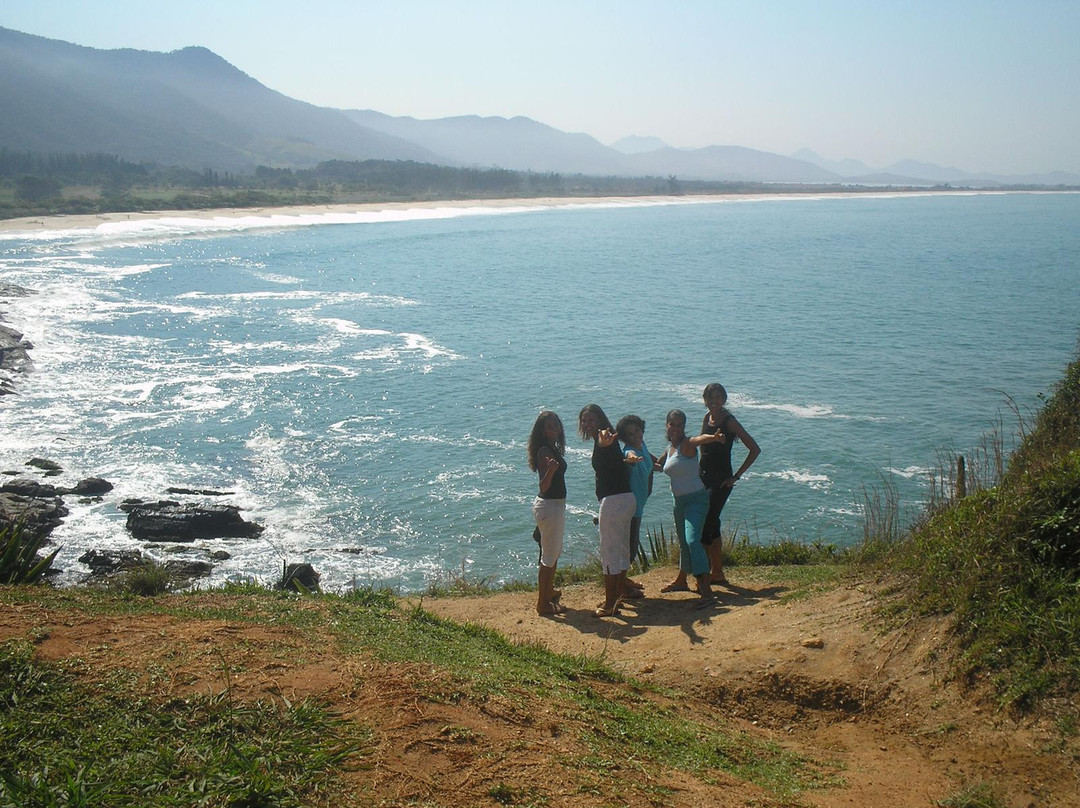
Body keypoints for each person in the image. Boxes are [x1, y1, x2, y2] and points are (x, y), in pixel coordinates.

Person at [697, 383, 761, 585]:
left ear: (724, 399)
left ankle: (703, 574)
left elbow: (754, 449)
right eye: (709, 397)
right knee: (712, 524)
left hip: (721, 481)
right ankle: (717, 573)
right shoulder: (707, 418)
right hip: (703, 478)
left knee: (707, 522)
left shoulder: (729, 422)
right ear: (705, 400)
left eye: (717, 397)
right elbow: (702, 444)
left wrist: (736, 477)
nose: (713, 401)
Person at [579, 404, 637, 617]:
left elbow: (605, 441)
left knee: (609, 553)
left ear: (601, 421)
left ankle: (609, 603)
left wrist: (603, 440)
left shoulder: (604, 438)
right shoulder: (607, 440)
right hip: (626, 499)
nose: (587, 424)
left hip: (612, 502)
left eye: (591, 420)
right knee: (621, 550)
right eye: (584, 420)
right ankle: (619, 594)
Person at [657, 409, 715, 608]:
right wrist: (635, 452)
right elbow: (658, 465)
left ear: (683, 427)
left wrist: (714, 436)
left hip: (696, 500)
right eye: (672, 424)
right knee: (683, 543)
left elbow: (700, 439)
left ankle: (706, 591)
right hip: (679, 501)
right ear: (667, 425)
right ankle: (681, 581)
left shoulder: (687, 444)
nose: (675, 428)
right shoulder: (671, 448)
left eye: (679, 425)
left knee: (692, 541)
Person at [528, 411, 567, 616]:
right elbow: (544, 485)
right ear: (542, 431)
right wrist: (551, 471)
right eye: (550, 426)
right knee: (549, 557)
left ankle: (549, 592)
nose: (555, 429)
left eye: (556, 426)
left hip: (554, 506)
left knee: (552, 553)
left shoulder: (550, 448)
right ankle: (542, 604)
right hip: (550, 506)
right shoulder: (545, 452)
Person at [616, 414, 654, 595]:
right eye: (630, 434)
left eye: (637, 431)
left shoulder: (643, 446)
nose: (636, 435)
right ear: (625, 438)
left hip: (639, 506)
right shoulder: (629, 451)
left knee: (630, 545)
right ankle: (621, 586)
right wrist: (631, 458)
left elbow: (649, 458)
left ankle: (623, 580)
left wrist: (660, 463)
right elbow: (630, 455)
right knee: (629, 549)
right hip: (631, 509)